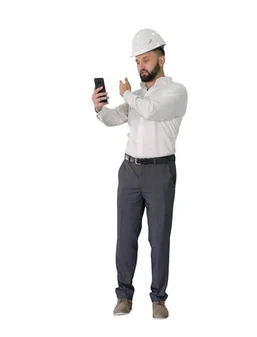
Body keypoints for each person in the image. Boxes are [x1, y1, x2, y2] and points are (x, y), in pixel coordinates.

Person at [91, 28, 188, 319]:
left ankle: (158, 299)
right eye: (137, 62)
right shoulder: (137, 97)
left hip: (160, 172)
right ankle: (124, 296)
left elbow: (151, 111)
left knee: (159, 237)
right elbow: (115, 117)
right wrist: (99, 108)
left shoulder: (175, 92)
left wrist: (128, 94)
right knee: (126, 236)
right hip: (130, 171)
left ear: (162, 60)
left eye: (146, 59)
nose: (141, 66)